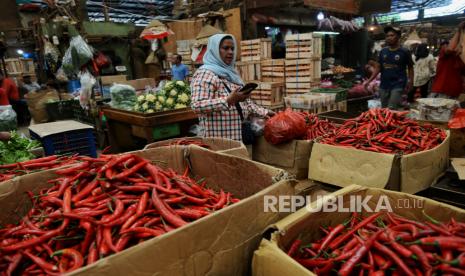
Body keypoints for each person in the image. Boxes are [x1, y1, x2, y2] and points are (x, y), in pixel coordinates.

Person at [190, 34, 274, 142]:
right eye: (225, 48)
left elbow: (245, 103)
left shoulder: (231, 74)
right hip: (220, 141)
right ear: (214, 50)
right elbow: (197, 105)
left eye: (232, 48)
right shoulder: (205, 74)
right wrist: (228, 100)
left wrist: (264, 112)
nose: (230, 52)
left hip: (238, 136)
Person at [365, 26, 414, 110]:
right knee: (384, 109)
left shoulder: (404, 51)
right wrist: (369, 80)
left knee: (391, 109)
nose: (389, 38)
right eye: (387, 36)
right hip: (384, 85)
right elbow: (378, 68)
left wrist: (411, 81)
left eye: (392, 35)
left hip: (398, 84)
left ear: (398, 37)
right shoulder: (383, 51)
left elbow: (410, 68)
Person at [430, 22, 465, 99]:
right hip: (441, 92)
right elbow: (450, 49)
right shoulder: (445, 52)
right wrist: (459, 30)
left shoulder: (462, 59)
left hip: (455, 94)